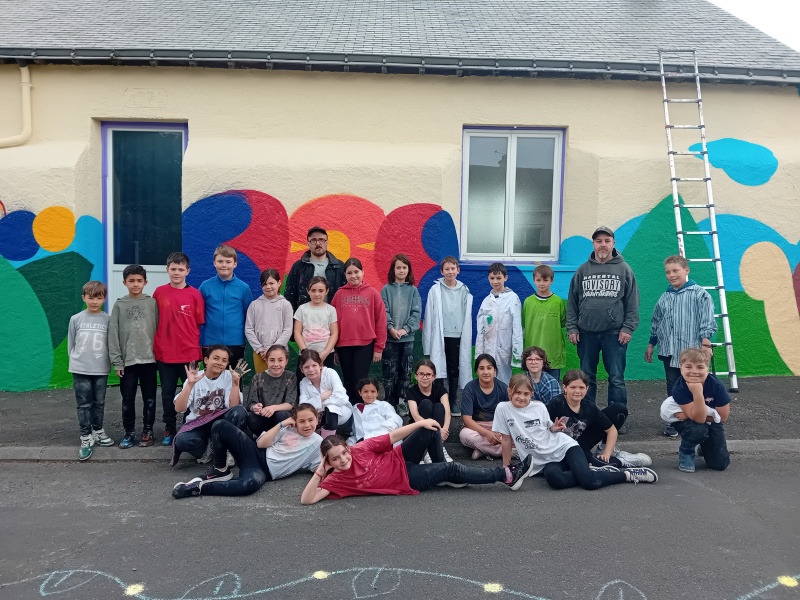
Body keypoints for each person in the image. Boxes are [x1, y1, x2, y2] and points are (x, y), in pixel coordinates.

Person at [299, 419, 533, 504]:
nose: (342, 460)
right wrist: (320, 471)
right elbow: (307, 500)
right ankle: (507, 476)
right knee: (451, 467)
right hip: (405, 479)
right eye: (335, 459)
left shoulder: (359, 449)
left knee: (429, 430)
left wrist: (420, 423)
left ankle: (445, 476)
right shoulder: (336, 481)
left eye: (343, 453)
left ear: (348, 448)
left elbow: (393, 437)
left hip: (401, 457)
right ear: (329, 463)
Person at [493, 375, 658, 491]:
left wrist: (554, 428)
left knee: (589, 483)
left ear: (532, 394)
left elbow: (548, 429)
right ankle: (594, 470)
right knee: (555, 480)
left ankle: (629, 475)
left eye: (526, 394)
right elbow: (506, 440)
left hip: (564, 447)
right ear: (509, 391)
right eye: (517, 393)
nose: (522, 397)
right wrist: (507, 468)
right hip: (542, 461)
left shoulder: (539, 407)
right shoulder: (502, 409)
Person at [172, 403, 323, 498]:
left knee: (248, 485)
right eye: (301, 421)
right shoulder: (288, 429)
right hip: (255, 453)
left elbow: (320, 467)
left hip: (262, 471)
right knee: (219, 425)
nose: (307, 425)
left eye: (311, 420)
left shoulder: (318, 443)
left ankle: (199, 488)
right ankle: (220, 469)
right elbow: (261, 444)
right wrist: (281, 424)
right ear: (295, 422)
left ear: (317, 419)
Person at [566, 226, 639, 409]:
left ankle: (617, 415)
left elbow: (632, 302)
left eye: (607, 241)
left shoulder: (624, 269)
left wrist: (628, 328)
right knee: (586, 376)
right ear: (593, 244)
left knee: (616, 377)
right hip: (586, 334)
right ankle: (587, 413)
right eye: (599, 241)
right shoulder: (582, 270)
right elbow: (572, 302)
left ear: (613, 243)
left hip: (615, 334)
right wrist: (572, 328)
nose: (603, 245)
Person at [645, 255, 717, 437]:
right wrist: (652, 343)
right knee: (673, 386)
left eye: (675, 270)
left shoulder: (700, 294)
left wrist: (706, 342)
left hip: (691, 354)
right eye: (668, 272)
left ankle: (698, 417)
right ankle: (675, 421)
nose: (671, 275)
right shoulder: (665, 297)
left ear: (686, 270)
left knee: (695, 385)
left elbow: (707, 319)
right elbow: (657, 321)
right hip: (669, 351)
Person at [547, 370, 652, 468]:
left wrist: (607, 453)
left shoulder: (589, 406)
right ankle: (622, 461)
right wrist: (552, 429)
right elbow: (542, 429)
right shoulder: (556, 404)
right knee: (589, 463)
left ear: (587, 388)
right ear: (565, 388)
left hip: (582, 442)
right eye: (573, 387)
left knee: (619, 409)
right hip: (563, 447)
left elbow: (611, 430)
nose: (577, 391)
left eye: (581, 387)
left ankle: (604, 451)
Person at [154, 252, 205, 446]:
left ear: (187, 271)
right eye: (173, 269)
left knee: (191, 393)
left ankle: (187, 426)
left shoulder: (195, 294)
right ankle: (169, 427)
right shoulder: (159, 292)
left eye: (181, 269)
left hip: (189, 354)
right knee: (167, 393)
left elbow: (198, 322)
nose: (177, 272)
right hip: (165, 353)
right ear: (167, 270)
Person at [170, 345, 249, 466]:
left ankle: (229, 449)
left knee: (239, 411)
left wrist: (235, 383)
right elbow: (179, 408)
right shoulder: (195, 377)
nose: (219, 363)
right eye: (216, 358)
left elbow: (233, 407)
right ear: (206, 360)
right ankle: (207, 450)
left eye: (224, 360)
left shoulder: (230, 376)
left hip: (222, 423)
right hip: (200, 423)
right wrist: (190, 384)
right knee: (182, 440)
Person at [108, 265, 158, 449]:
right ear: (124, 283)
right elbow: (113, 334)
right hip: (127, 362)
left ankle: (148, 431)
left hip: (149, 360)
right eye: (131, 281)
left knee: (150, 398)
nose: (135, 284)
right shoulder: (119, 305)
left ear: (145, 282)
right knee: (127, 399)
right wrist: (117, 361)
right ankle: (129, 433)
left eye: (139, 281)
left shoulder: (152, 303)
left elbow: (159, 329)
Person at [661, 348, 730, 473]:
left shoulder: (717, 385)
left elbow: (723, 417)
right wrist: (697, 392)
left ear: (707, 369)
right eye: (688, 367)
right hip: (689, 422)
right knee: (698, 429)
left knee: (719, 464)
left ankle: (704, 444)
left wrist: (688, 414)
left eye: (700, 367)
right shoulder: (679, 387)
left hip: (709, 419)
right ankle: (686, 452)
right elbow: (699, 419)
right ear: (681, 369)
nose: (694, 371)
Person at [422, 256, 473, 416]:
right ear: (442, 271)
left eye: (453, 268)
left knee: (453, 368)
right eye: (447, 269)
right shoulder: (435, 290)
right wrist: (428, 339)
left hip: (457, 335)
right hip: (440, 334)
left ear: (458, 270)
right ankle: (438, 400)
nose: (450, 272)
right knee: (437, 367)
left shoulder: (464, 290)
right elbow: (429, 314)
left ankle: (452, 401)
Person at [331, 258, 387, 404]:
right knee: (348, 379)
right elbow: (333, 322)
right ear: (345, 275)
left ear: (363, 272)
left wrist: (379, 347)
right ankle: (349, 409)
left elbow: (381, 321)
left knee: (360, 379)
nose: (353, 275)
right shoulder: (339, 294)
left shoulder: (372, 293)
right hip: (343, 345)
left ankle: (361, 408)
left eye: (356, 272)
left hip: (365, 344)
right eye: (349, 273)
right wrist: (334, 347)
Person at [68, 281, 113, 461]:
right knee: (84, 404)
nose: (95, 301)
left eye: (99, 298)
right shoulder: (76, 319)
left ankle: (98, 430)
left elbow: (111, 344)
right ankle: (86, 437)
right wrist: (76, 361)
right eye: (91, 297)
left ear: (104, 299)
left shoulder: (108, 320)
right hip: (80, 369)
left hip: (100, 369)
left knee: (99, 402)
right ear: (84, 298)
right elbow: (71, 344)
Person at [199, 245, 253, 368]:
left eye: (228, 262)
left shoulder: (243, 288)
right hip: (210, 342)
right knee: (211, 377)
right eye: (220, 261)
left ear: (235, 264)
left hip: (236, 343)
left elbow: (249, 316)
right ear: (214, 263)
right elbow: (198, 313)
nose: (224, 265)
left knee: (234, 377)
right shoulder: (205, 286)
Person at [381, 254, 422, 415]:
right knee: (389, 371)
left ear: (408, 270)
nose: (401, 270)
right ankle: (389, 402)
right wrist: (391, 328)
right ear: (393, 270)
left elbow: (416, 313)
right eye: (398, 267)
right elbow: (383, 311)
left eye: (404, 267)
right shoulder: (386, 289)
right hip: (390, 339)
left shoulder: (413, 290)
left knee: (405, 371)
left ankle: (401, 401)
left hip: (407, 339)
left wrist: (405, 329)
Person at [475, 262, 523, 385]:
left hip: (504, 348)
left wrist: (517, 354)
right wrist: (479, 353)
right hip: (488, 348)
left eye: (498, 278)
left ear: (505, 278)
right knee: (487, 380)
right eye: (492, 278)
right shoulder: (486, 301)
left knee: (503, 382)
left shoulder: (513, 298)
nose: (495, 281)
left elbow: (517, 328)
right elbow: (480, 330)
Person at [284, 226, 346, 310]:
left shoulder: (339, 266)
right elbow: (290, 295)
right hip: (305, 316)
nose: (318, 243)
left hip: (332, 315)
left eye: (321, 240)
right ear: (308, 244)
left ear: (327, 242)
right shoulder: (299, 266)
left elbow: (347, 294)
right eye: (313, 240)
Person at [458, 354, 508, 460]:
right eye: (481, 368)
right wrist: (486, 433)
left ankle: (483, 450)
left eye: (489, 368)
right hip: (477, 428)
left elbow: (511, 415)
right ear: (476, 371)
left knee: (515, 433)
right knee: (464, 435)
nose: (485, 372)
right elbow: (467, 420)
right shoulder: (470, 388)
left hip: (497, 427)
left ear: (495, 371)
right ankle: (507, 452)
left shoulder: (503, 388)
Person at [522, 264, 566, 381]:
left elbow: (563, 322)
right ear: (533, 280)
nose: (542, 283)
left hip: (552, 353)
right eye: (538, 280)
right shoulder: (528, 302)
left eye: (545, 280)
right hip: (532, 354)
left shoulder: (558, 301)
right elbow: (523, 323)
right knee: (531, 387)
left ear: (551, 281)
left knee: (553, 385)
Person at [245, 268, 293, 373]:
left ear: (279, 283)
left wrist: (273, 349)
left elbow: (288, 329)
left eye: (271, 283)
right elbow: (249, 329)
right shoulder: (254, 305)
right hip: (260, 354)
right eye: (264, 284)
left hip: (280, 353)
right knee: (262, 380)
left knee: (278, 380)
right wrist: (259, 349)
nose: (268, 287)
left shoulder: (285, 304)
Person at [244, 345, 297, 437]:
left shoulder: (290, 377)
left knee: (283, 415)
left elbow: (290, 404)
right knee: (252, 418)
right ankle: (261, 438)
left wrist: (273, 408)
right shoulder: (257, 377)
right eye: (272, 360)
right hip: (263, 417)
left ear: (286, 361)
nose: (276, 364)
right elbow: (250, 405)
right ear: (266, 361)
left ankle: (280, 438)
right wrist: (255, 407)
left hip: (280, 419)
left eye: (280, 360)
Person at [298, 349, 353, 438]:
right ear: (302, 369)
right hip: (320, 418)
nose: (311, 370)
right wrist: (322, 396)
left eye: (314, 365)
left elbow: (341, 397)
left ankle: (327, 440)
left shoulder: (330, 373)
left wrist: (320, 405)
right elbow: (303, 406)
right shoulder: (303, 382)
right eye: (306, 367)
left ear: (320, 365)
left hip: (341, 415)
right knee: (307, 415)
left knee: (330, 409)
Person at [293, 276, 339, 382]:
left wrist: (325, 352)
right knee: (303, 383)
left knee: (325, 382)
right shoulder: (302, 309)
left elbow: (334, 333)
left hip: (326, 355)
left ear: (326, 291)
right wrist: (305, 351)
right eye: (313, 290)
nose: (317, 294)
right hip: (305, 355)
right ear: (308, 291)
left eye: (321, 291)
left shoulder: (331, 310)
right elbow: (297, 332)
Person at [406, 359, 453, 461]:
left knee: (439, 407)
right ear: (416, 376)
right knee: (426, 404)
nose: (424, 377)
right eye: (421, 374)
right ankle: (425, 451)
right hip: (418, 431)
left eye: (428, 374)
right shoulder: (411, 391)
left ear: (434, 377)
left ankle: (439, 446)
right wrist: (435, 430)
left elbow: (447, 413)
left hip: (438, 432)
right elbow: (415, 416)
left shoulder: (441, 390)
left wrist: (444, 430)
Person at [351, 377, 403, 442]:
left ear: (377, 393)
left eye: (373, 391)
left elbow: (395, 421)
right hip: (363, 445)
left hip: (385, 441)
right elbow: (355, 434)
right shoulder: (355, 409)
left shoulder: (384, 405)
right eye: (365, 391)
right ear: (360, 393)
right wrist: (349, 444)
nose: (369, 395)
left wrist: (370, 437)